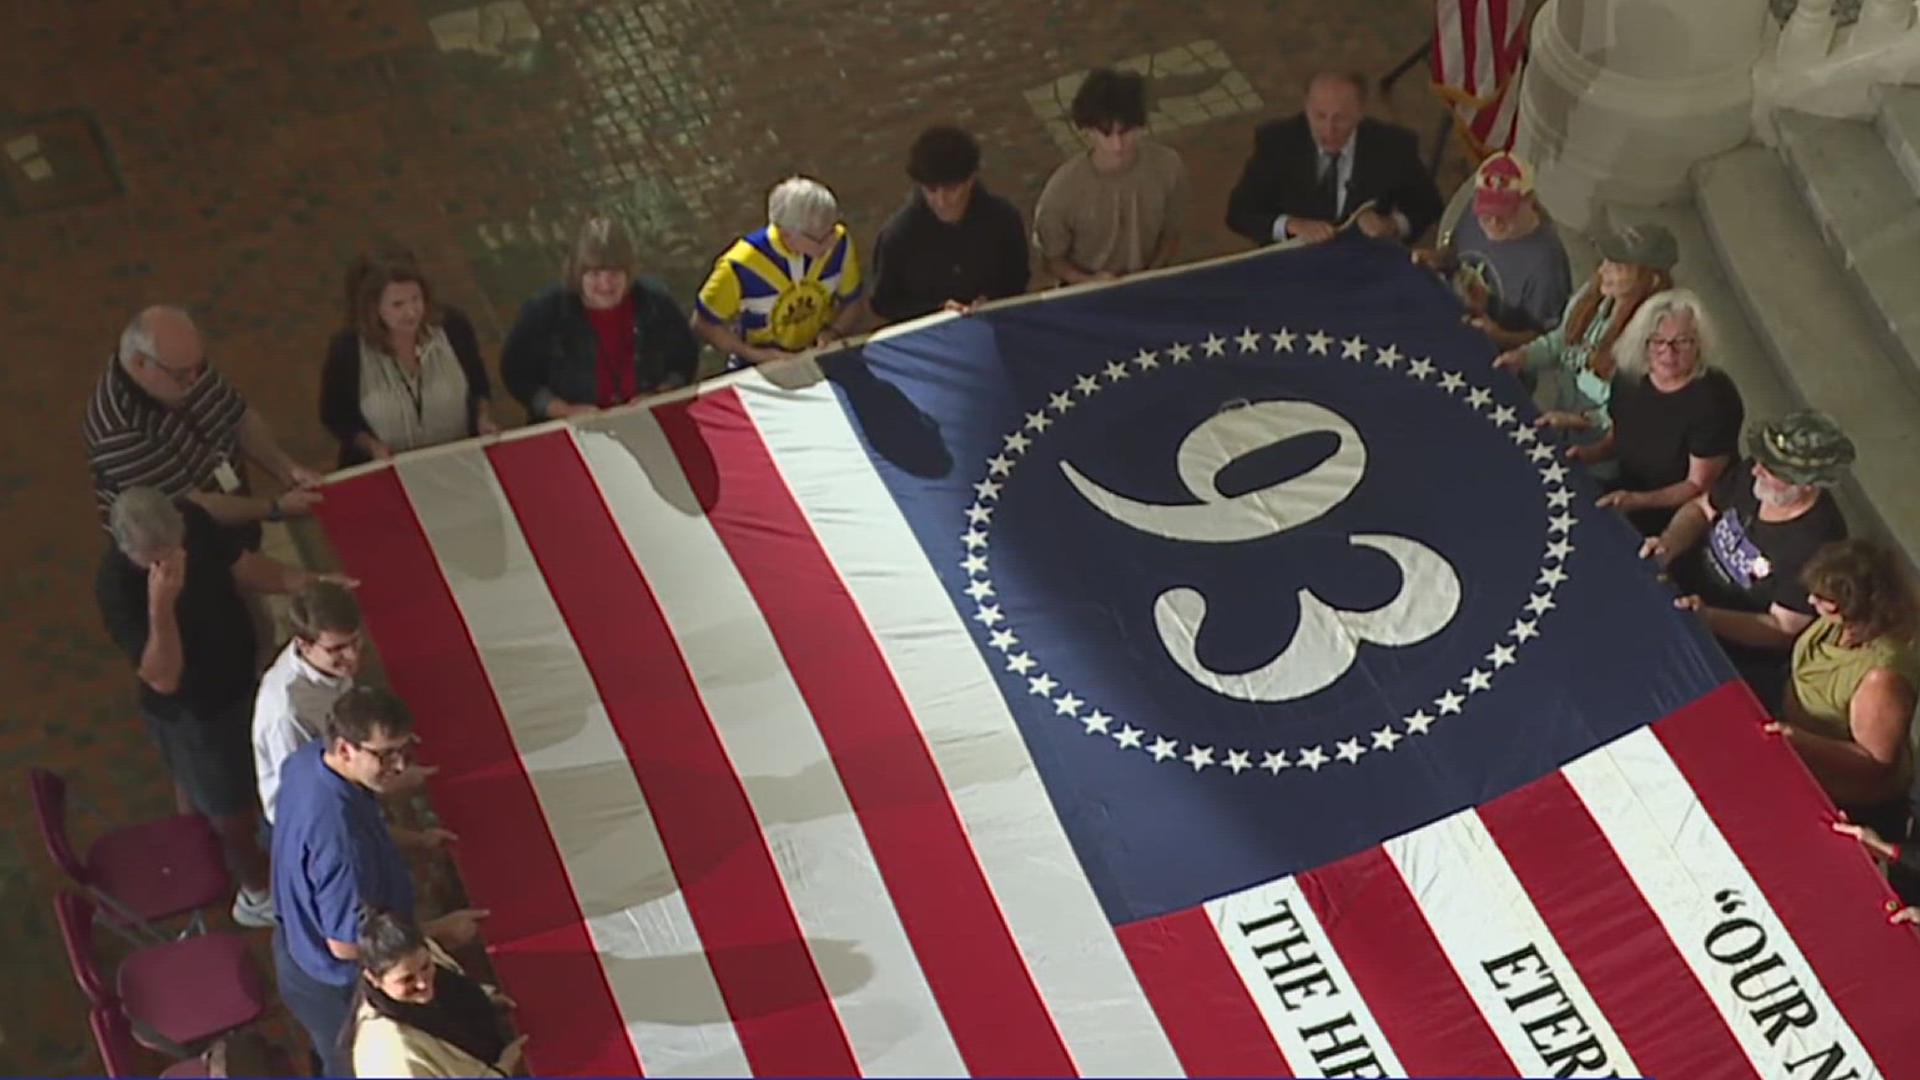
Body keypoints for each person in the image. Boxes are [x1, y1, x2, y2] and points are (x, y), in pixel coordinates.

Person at [95, 488, 354, 929]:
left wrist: (307, 583)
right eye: (156, 559)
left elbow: (244, 567)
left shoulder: (192, 521)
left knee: (212, 784)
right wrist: (162, 604)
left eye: (175, 548)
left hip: (239, 683)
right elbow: (163, 676)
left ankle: (197, 838)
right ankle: (256, 891)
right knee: (229, 807)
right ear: (129, 551)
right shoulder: (117, 585)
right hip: (194, 715)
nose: (172, 562)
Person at [271, 687, 480, 1077]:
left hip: (296, 946)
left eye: (404, 750)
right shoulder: (340, 844)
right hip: (335, 983)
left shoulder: (308, 762)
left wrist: (415, 841)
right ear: (346, 749)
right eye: (385, 755)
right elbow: (347, 943)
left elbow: (366, 827)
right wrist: (435, 935)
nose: (400, 766)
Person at [1643, 411, 1853, 705]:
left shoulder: (1818, 544)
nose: (1756, 472)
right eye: (1760, 462)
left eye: (1772, 470)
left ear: (1806, 484)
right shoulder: (1752, 477)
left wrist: (1708, 619)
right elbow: (1703, 508)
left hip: (1724, 652)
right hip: (1680, 589)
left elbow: (1783, 629)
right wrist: (1670, 542)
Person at [85, 305, 324, 547]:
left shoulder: (182, 366)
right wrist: (274, 508)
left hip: (233, 512)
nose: (194, 380)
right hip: (190, 551)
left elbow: (238, 417)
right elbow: (196, 506)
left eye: (197, 368)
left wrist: (286, 468)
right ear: (140, 363)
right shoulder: (119, 431)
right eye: (182, 375)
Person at [1491, 221, 1677, 469]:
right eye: (1606, 261)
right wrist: (1522, 356)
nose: (1603, 270)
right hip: (1559, 433)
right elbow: (1560, 341)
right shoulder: (1593, 296)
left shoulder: (1655, 343)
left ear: (1651, 280)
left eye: (1618, 267)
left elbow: (1633, 413)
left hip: (1599, 461)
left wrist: (1578, 420)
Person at [1768, 540, 1920, 841]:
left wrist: (1800, 741)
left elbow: (1874, 763)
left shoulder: (1882, 679)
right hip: (1795, 760)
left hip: (1843, 803)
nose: (1810, 600)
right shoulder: (1836, 624)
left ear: (1850, 603)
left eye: (1822, 597)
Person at [1579, 288, 1746, 534]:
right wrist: (1585, 455)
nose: (1668, 352)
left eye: (1682, 342)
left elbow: (1698, 485)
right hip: (1627, 493)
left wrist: (1637, 501)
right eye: (1658, 341)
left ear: (1699, 345)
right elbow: (1618, 439)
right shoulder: (1629, 379)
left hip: (1678, 521)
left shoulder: (1715, 399)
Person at [502, 216, 699, 420]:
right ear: (578, 273)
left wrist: (659, 395)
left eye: (614, 273)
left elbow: (685, 359)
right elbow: (517, 374)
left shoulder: (656, 302)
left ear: (628, 271)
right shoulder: (545, 310)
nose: (605, 285)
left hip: (650, 422)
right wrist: (562, 410)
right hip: (573, 430)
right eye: (595, 274)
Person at [1225, 70, 1443, 247]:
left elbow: (1427, 206)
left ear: (1360, 112)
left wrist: (1391, 225)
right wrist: (1291, 225)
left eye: (1340, 119)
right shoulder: (1276, 143)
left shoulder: (1394, 146)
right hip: (1293, 266)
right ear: (1306, 107)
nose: (1328, 130)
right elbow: (1240, 213)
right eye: (1319, 116)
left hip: (1365, 265)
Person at [321, 250, 499, 466]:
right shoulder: (347, 350)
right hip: (389, 470)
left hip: (459, 461)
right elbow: (337, 415)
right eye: (398, 305)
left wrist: (483, 419)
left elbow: (478, 385)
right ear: (374, 309)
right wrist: (371, 446)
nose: (411, 312)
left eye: (416, 299)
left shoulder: (453, 327)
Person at [1031, 68, 1190, 284]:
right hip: (1086, 289)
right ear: (1088, 130)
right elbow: (1052, 260)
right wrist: (1089, 280)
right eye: (1106, 133)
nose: (1118, 145)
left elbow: (1171, 232)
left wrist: (1153, 272)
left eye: (1125, 132)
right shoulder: (1061, 192)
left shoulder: (1168, 167)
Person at [693, 178, 869, 369]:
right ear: (787, 235)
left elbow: (853, 301)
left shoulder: (839, 242)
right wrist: (756, 355)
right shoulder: (740, 266)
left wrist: (834, 332)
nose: (831, 243)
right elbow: (704, 324)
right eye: (821, 239)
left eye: (833, 230)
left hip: (821, 352)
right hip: (761, 364)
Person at [869, 125, 1031, 323]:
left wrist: (992, 300)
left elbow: (1017, 277)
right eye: (931, 190)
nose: (941, 201)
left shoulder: (1003, 219)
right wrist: (935, 310)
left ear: (971, 179)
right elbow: (884, 302)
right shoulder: (898, 236)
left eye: (951, 189)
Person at [1415, 152, 1572, 350]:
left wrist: (1497, 336)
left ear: (1529, 200)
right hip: (1449, 313)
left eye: (1505, 212)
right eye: (1486, 213)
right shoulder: (1474, 211)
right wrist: (1435, 258)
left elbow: (1544, 342)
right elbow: (1455, 253)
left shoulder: (1547, 265)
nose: (1493, 223)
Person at [346, 909, 526, 1078]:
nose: (423, 983)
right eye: (407, 980)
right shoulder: (392, 1054)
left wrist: (487, 998)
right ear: (373, 979)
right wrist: (504, 1069)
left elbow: (454, 985)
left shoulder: (424, 954)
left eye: (426, 967)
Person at [252, 582, 363, 827]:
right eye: (337, 649)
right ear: (304, 645)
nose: (352, 656)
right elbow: (303, 792)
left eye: (355, 642)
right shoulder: (289, 712)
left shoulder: (324, 662)